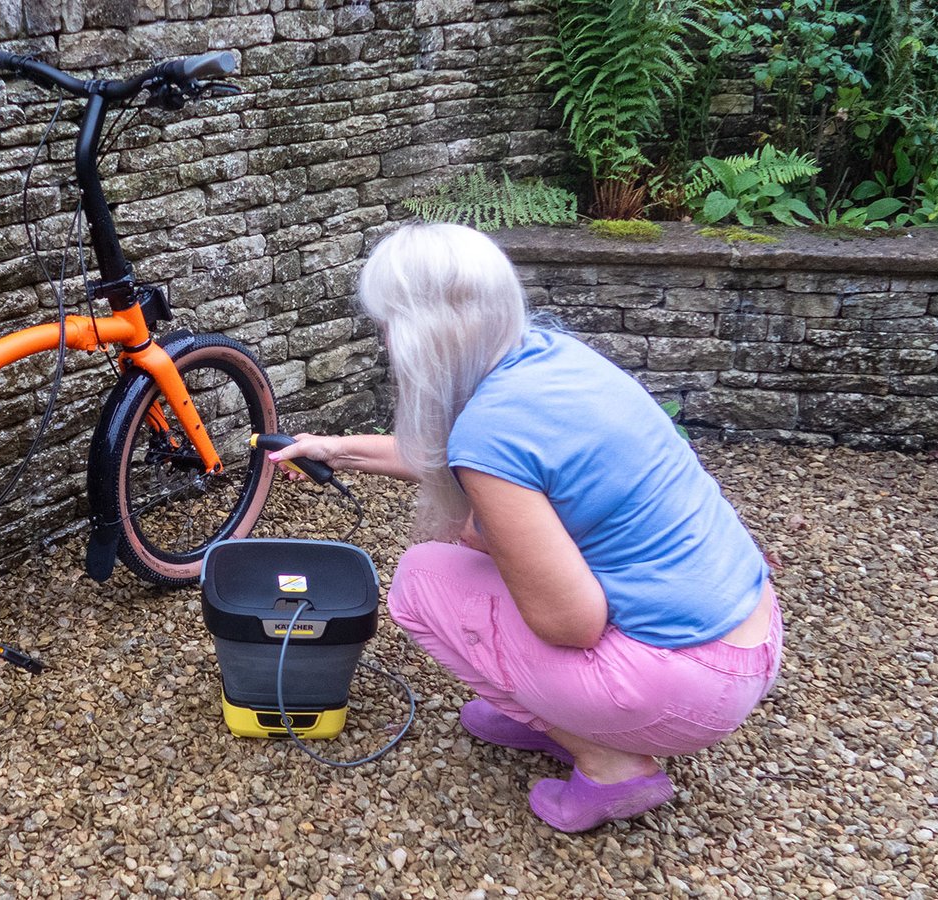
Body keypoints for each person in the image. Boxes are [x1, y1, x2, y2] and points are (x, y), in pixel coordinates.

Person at [269, 222, 781, 832]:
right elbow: (450, 453)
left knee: (421, 581)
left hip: (689, 686)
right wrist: (335, 448)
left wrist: (484, 535)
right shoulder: (549, 357)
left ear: (416, 335)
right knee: (477, 566)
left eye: (387, 325)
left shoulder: (489, 434)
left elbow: (572, 622)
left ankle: (609, 761)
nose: (385, 342)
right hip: (747, 633)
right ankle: (554, 712)